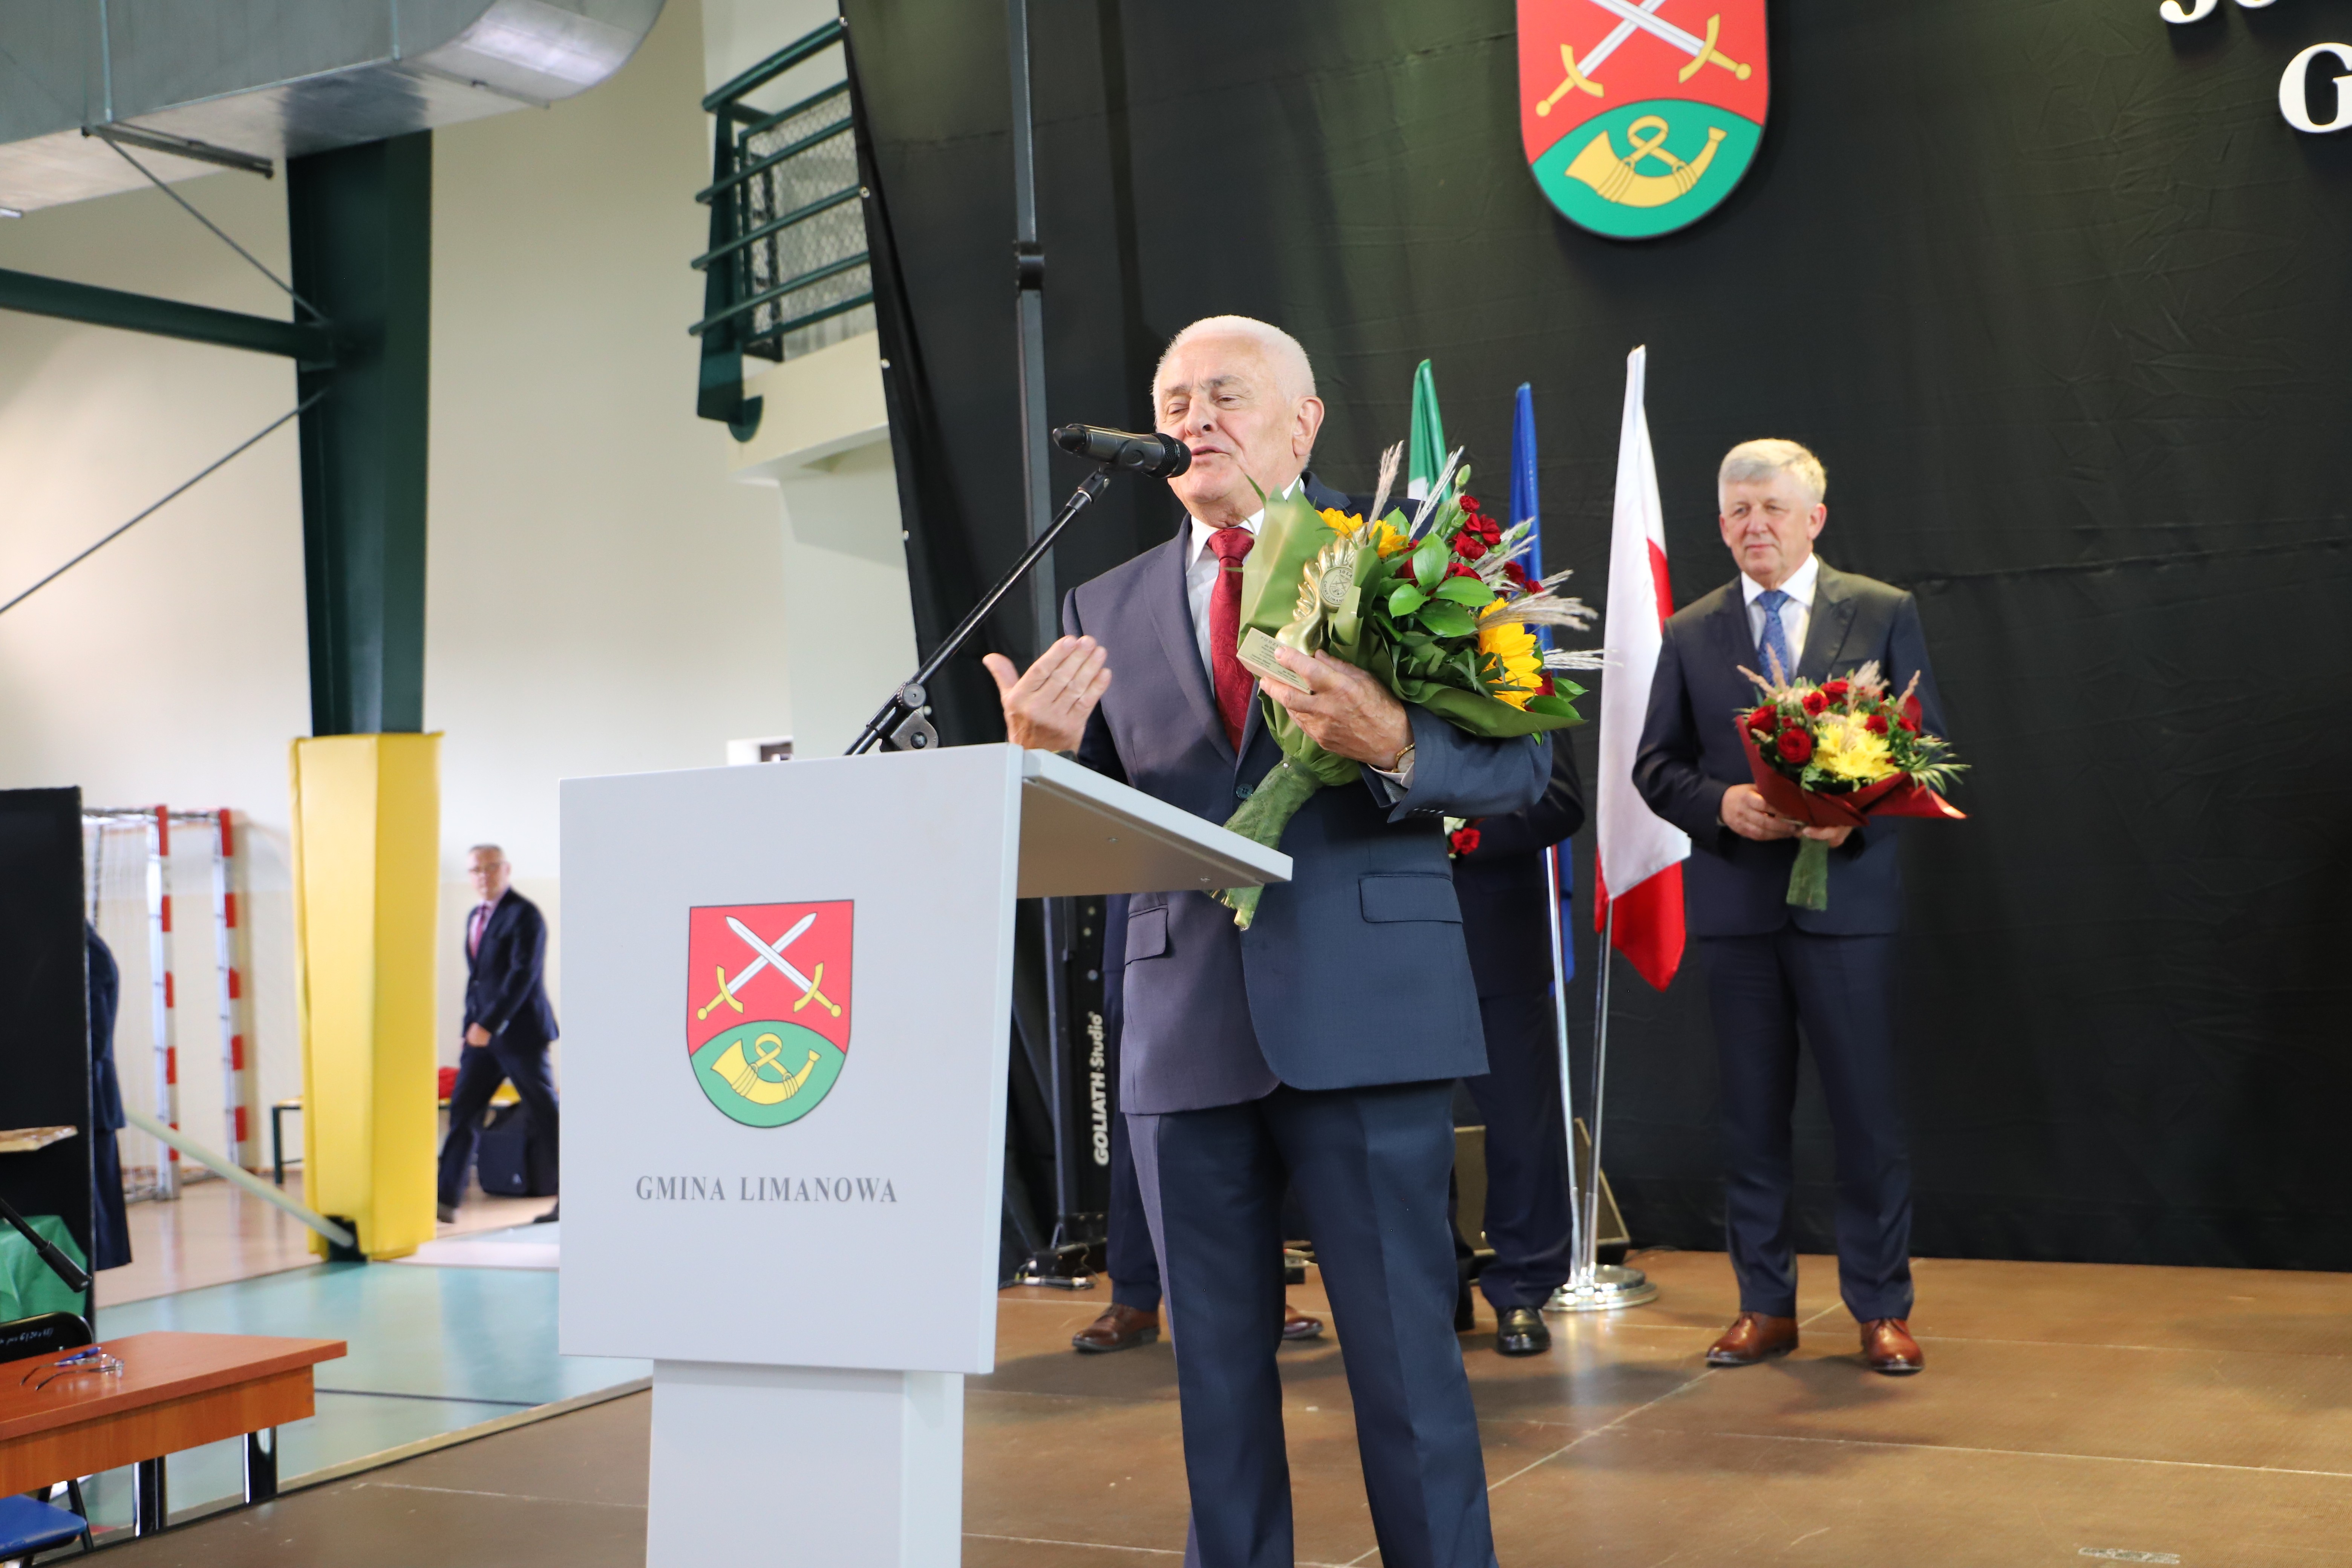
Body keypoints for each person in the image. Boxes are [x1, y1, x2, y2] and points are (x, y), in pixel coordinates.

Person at [985, 315, 1548, 1568]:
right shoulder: (1102, 602)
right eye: (1173, 399)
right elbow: (1105, 828)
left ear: (1303, 424)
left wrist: (1397, 744)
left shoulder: (1406, 556)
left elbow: (1527, 774)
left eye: (1226, 394)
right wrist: (1040, 766)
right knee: (1215, 1382)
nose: (1195, 418)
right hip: (1184, 1025)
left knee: (1407, 1365)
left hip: (1366, 1011)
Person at [1633, 439, 1947, 1377]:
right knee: (1749, 1118)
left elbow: (1927, 750)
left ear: (1815, 518)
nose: (1753, 526)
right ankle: (1764, 1305)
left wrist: (1855, 818)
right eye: (1737, 511)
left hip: (1846, 908)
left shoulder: (1882, 610)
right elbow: (1655, 765)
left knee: (1866, 1118)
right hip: (1737, 908)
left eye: (1771, 508)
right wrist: (1720, 805)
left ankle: (1880, 1307)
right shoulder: (1690, 630)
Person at [1072, 896, 1325, 1354]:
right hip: (1148, 910)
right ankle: (1133, 1294)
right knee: (1144, 1114)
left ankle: (1261, 1291)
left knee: (1255, 1097)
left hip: (1253, 913)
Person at [1449, 738, 1585, 1356]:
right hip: (1383, 930)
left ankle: (1523, 1289)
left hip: (1497, 928)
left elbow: (1558, 800)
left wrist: (1459, 834)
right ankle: (1436, 1289)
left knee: (1521, 1123)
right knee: (1404, 1128)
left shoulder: (1520, 682)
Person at [435, 844, 561, 1225]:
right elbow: (479, 981)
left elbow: (522, 976)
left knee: (546, 1115)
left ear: (506, 869)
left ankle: (577, 1196)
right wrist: (469, 1029)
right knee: (464, 1112)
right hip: (481, 1040)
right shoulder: (475, 916)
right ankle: (444, 1200)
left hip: (521, 1036)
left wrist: (487, 1024)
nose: (483, 876)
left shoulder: (525, 914)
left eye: (491, 868)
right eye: (476, 870)